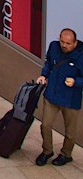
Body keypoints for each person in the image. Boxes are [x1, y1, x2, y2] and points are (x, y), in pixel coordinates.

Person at [35, 27, 82, 166]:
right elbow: (48, 63)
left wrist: (76, 82)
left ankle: (66, 154)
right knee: (45, 125)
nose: (64, 45)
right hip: (52, 95)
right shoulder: (54, 47)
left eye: (68, 43)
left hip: (70, 98)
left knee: (70, 132)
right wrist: (44, 75)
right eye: (62, 42)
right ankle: (47, 151)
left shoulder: (81, 55)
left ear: (75, 43)